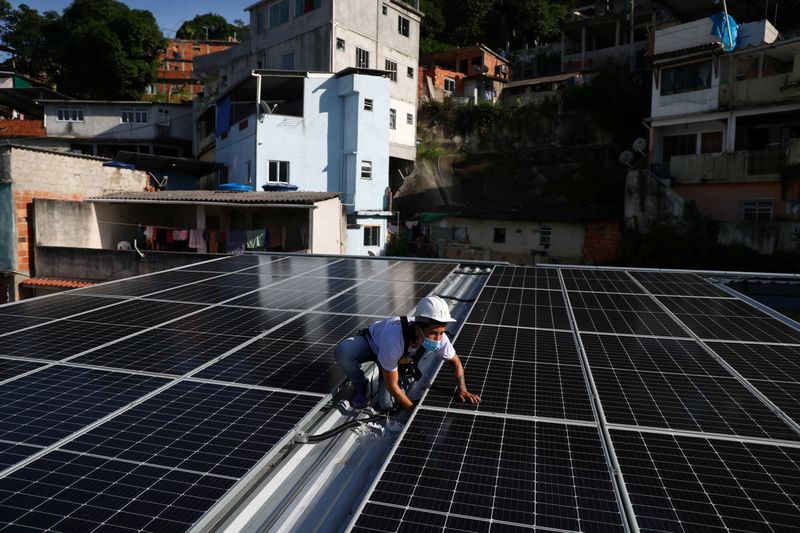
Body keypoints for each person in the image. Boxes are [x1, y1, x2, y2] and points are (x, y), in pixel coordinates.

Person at [334, 295, 481, 411]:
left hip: (393, 357)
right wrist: (411, 409)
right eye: (434, 333)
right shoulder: (394, 338)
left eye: (442, 333)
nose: (438, 338)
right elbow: (392, 385)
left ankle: (399, 377)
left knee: (386, 404)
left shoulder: (439, 337)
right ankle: (360, 384)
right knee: (343, 351)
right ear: (418, 329)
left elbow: (456, 361)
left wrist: (463, 389)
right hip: (373, 345)